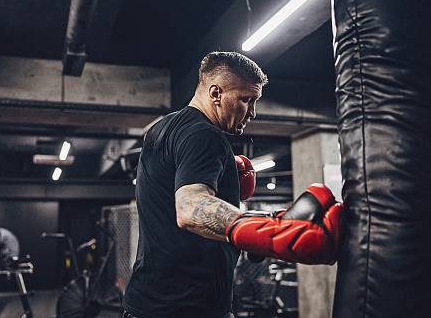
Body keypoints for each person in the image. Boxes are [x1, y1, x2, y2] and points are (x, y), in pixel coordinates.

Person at [122, 51, 345, 318]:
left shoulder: (163, 129)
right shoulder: (206, 135)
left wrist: (258, 228)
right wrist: (270, 233)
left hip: (146, 303)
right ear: (215, 93)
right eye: (246, 100)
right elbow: (190, 209)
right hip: (185, 307)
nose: (252, 112)